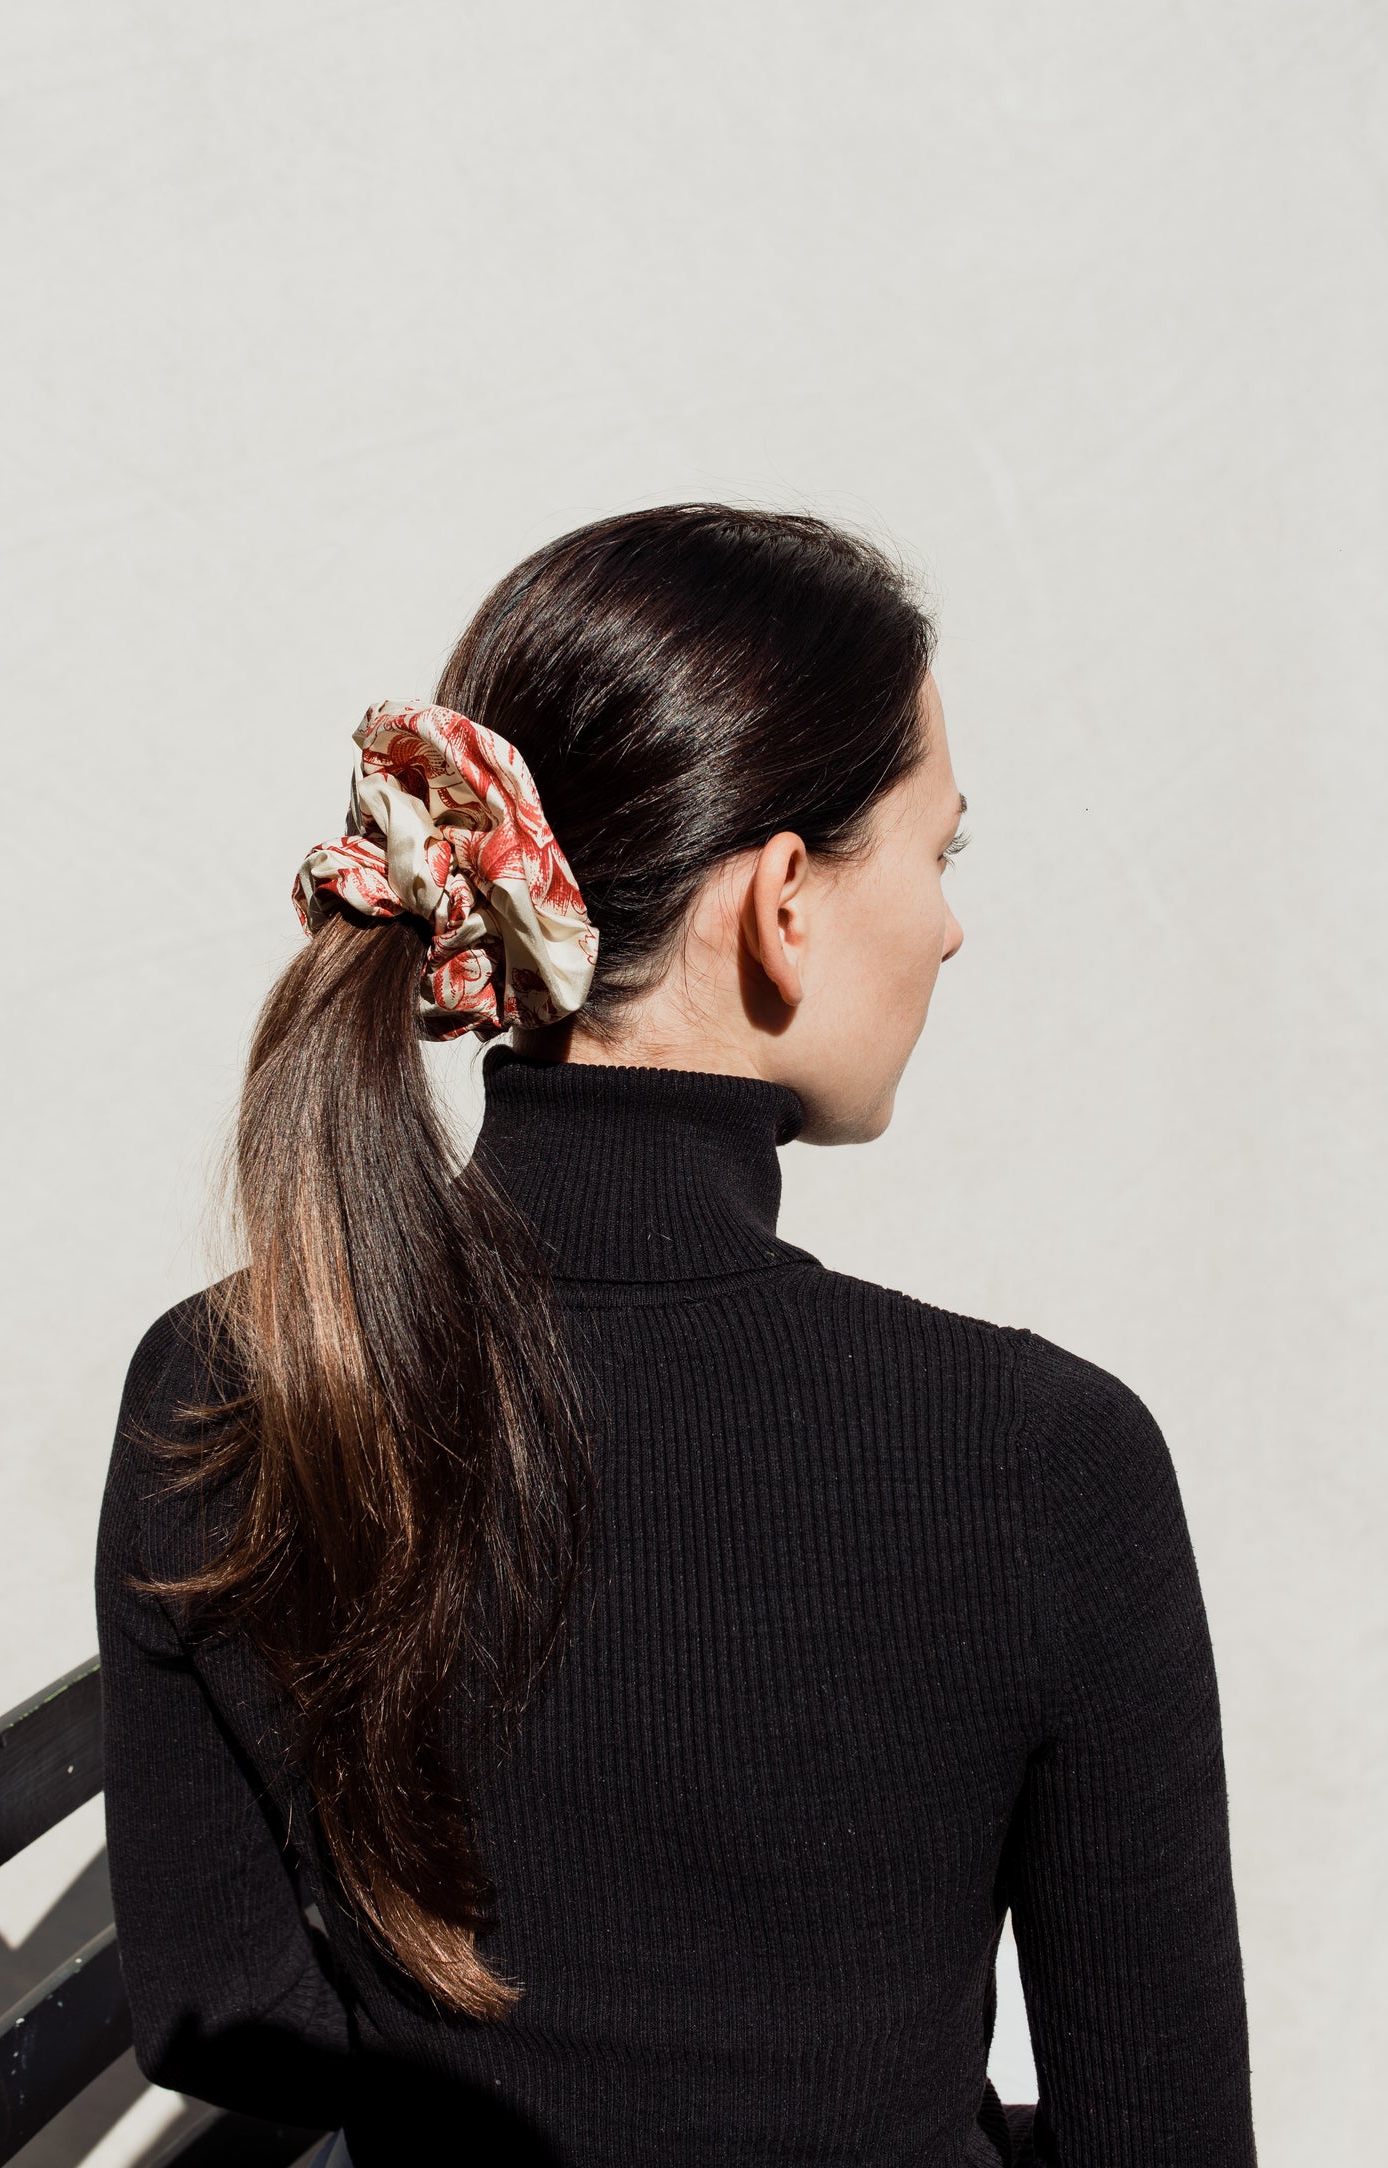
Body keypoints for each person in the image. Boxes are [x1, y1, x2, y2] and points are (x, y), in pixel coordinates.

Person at [96, 504, 1257, 2168]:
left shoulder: (228, 1381)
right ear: (784, 900)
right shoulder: (1037, 1458)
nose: (945, 924)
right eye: (940, 853)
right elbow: (1163, 2135)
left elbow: (225, 2011)